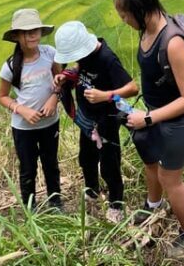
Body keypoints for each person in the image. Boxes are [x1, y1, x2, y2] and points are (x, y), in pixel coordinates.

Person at [113, 0, 184, 259]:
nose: (123, 21)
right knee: (151, 162)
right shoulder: (146, 31)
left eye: (125, 15)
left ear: (141, 9)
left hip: (176, 121)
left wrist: (148, 118)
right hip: (154, 114)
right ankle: (153, 206)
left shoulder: (172, 43)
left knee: (170, 178)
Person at [53, 20, 139, 223]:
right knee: (86, 158)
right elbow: (81, 69)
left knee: (109, 163)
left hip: (107, 119)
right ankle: (92, 192)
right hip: (88, 119)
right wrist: (68, 76)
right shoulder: (85, 56)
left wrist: (105, 95)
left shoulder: (107, 58)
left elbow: (132, 88)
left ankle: (116, 204)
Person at [0, 8, 62, 210]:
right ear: (16, 36)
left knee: (51, 164)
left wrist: (54, 99)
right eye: (26, 32)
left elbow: (61, 81)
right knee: (28, 168)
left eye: (35, 30)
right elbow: (2, 97)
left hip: (50, 123)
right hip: (23, 128)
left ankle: (55, 202)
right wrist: (22, 110)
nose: (32, 35)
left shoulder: (50, 54)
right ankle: (30, 207)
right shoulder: (10, 66)